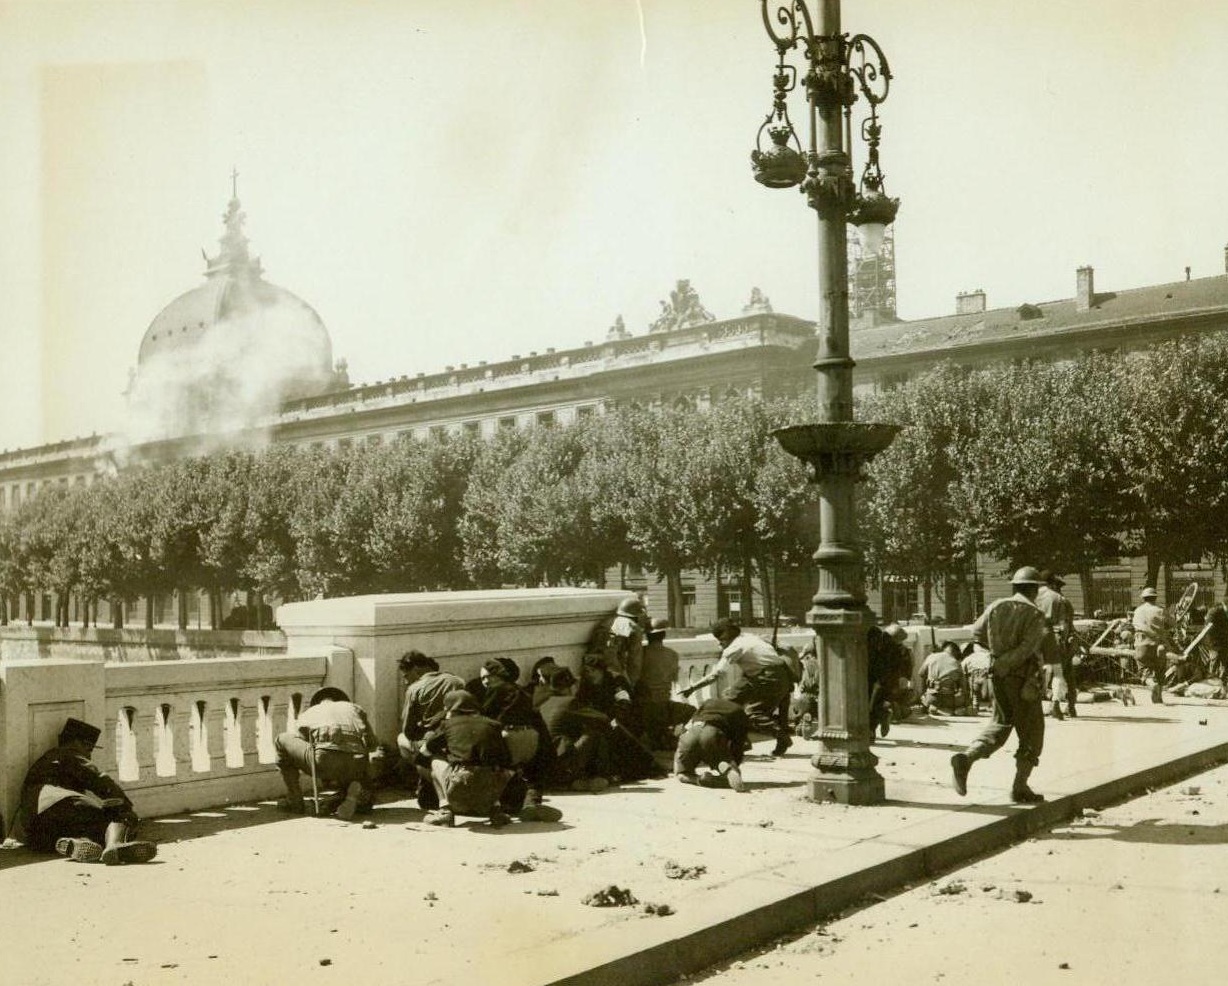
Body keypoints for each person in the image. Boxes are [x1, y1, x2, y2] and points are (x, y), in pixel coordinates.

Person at [950, 566, 1049, 804]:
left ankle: (967, 757)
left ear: (1015, 586)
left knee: (1000, 723)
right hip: (1022, 679)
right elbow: (1027, 648)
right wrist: (1007, 662)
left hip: (997, 676)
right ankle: (1020, 786)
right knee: (1033, 732)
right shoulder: (1035, 614)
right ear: (1035, 589)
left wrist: (995, 659)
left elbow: (977, 635)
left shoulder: (995, 606)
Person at [19, 717, 157, 864]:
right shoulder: (69, 753)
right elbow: (99, 779)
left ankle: (78, 843)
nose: (89, 755)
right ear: (77, 742)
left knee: (90, 827)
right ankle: (115, 846)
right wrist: (125, 806)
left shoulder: (47, 759)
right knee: (120, 816)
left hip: (34, 824)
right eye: (88, 748)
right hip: (59, 801)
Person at [679, 618, 794, 756]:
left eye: (721, 640)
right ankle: (742, 740)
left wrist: (692, 688)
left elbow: (716, 675)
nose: (719, 644)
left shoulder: (735, 648)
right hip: (766, 674)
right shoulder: (749, 637)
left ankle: (782, 737)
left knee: (754, 713)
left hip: (768, 678)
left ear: (728, 636)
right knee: (728, 701)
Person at [469, 658, 562, 823]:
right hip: (531, 736)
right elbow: (537, 720)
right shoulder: (523, 692)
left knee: (500, 770)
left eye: (486, 677)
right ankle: (531, 804)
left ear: (496, 676)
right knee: (531, 775)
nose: (484, 681)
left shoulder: (495, 690)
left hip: (509, 735)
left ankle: (499, 807)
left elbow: (486, 719)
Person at [275, 686, 377, 820]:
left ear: (318, 701)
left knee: (281, 740)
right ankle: (356, 796)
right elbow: (373, 744)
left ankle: (295, 799)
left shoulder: (310, 712)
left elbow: (302, 742)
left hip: (325, 761)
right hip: (357, 766)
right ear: (341, 700)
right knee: (356, 755)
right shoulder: (355, 708)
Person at [422, 691, 515, 828]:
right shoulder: (493, 724)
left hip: (461, 780)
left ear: (449, 708)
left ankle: (445, 811)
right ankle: (496, 811)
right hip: (492, 785)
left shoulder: (448, 724)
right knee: (497, 767)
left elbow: (425, 751)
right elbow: (506, 758)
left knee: (435, 760)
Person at [397, 650, 466, 808]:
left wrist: (421, 731)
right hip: (458, 738)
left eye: (406, 676)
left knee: (402, 740)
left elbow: (408, 729)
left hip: (432, 740)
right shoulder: (457, 682)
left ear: (416, 670)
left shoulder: (414, 689)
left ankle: (427, 777)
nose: (406, 682)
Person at [635, 617, 694, 750]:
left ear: (647, 635)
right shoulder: (672, 654)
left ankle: (662, 737)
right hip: (664, 705)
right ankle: (671, 735)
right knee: (692, 711)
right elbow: (674, 679)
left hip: (643, 706)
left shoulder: (641, 652)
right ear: (664, 635)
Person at [673, 698, 750, 792]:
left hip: (691, 733)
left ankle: (698, 779)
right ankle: (727, 771)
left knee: (682, 774)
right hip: (712, 733)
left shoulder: (709, 701)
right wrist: (734, 763)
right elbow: (738, 744)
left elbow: (688, 724)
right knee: (725, 764)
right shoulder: (739, 711)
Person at [1036, 570, 1077, 719]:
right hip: (1054, 639)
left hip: (1033, 640)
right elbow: (1065, 624)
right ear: (1053, 584)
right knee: (1061, 672)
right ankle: (1056, 705)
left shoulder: (1032, 596)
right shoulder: (1060, 599)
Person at [867, 623, 912, 738]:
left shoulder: (878, 643)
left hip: (876, 680)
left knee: (871, 705)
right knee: (875, 704)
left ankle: (872, 728)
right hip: (888, 684)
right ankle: (876, 724)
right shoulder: (900, 651)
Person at [1132, 587, 1171, 704]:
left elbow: (1135, 625)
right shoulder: (1161, 610)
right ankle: (1158, 698)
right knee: (1160, 671)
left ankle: (1151, 684)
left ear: (1143, 598)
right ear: (1155, 597)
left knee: (1144, 670)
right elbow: (1172, 623)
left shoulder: (1138, 611)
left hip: (1142, 645)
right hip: (1159, 645)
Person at [917, 641, 971, 716]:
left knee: (926, 697)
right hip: (949, 699)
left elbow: (921, 673)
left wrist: (924, 693)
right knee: (962, 705)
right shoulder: (956, 662)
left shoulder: (931, 657)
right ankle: (947, 710)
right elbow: (963, 687)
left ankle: (931, 706)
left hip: (932, 697)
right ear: (955, 651)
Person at [961, 641, 993, 712]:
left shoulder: (969, 657)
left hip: (973, 676)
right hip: (985, 676)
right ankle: (992, 706)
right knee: (990, 694)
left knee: (975, 694)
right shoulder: (988, 655)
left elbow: (962, 667)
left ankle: (975, 706)